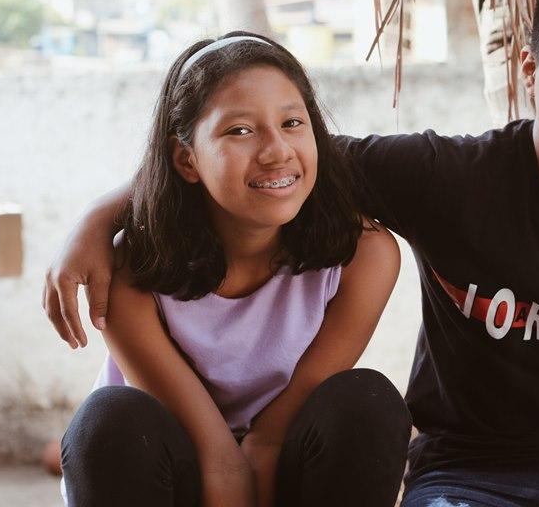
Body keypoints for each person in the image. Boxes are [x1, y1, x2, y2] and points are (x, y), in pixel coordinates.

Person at [46, 0, 539, 507]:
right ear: (531, 69)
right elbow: (264, 171)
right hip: (474, 480)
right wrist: (98, 219)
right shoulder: (448, 177)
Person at [56, 33, 411, 507]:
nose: (276, 150)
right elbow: (216, 458)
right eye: (239, 131)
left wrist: (261, 453)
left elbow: (277, 432)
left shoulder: (363, 254)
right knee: (109, 419)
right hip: (174, 466)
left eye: (291, 122)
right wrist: (93, 220)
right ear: (187, 159)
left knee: (368, 402)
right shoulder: (131, 264)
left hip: (282, 452)